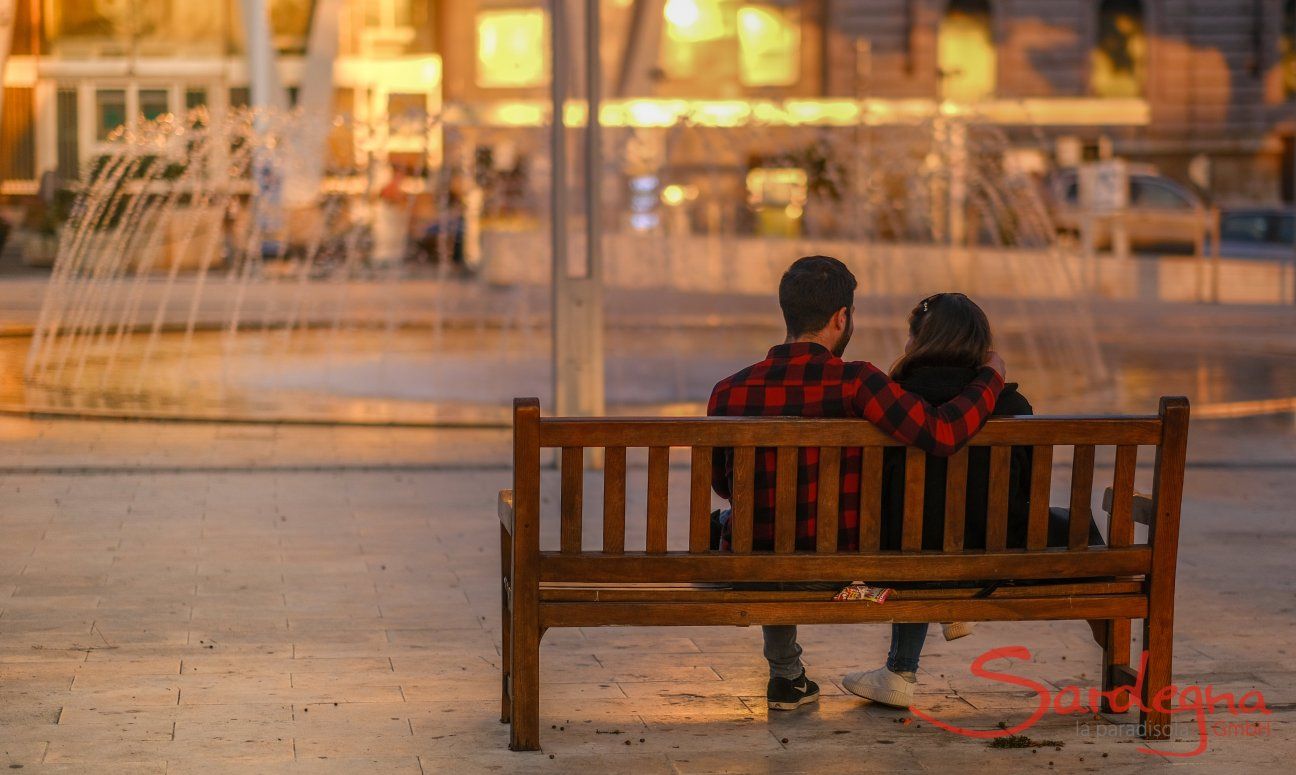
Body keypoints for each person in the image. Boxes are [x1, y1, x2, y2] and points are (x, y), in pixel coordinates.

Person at [707, 257, 1008, 712]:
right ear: (841, 317)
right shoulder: (859, 382)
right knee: (834, 530)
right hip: (848, 578)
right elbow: (944, 433)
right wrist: (992, 376)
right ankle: (898, 655)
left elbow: (723, 487)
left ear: (787, 312)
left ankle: (787, 676)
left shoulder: (728, 391)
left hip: (753, 571)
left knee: (741, 523)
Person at [841, 292, 1103, 709]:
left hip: (898, 555)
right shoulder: (1011, 404)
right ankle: (1117, 661)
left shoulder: (893, 401)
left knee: (924, 529)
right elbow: (1028, 495)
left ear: (918, 341)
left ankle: (902, 665)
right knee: (1079, 526)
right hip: (992, 553)